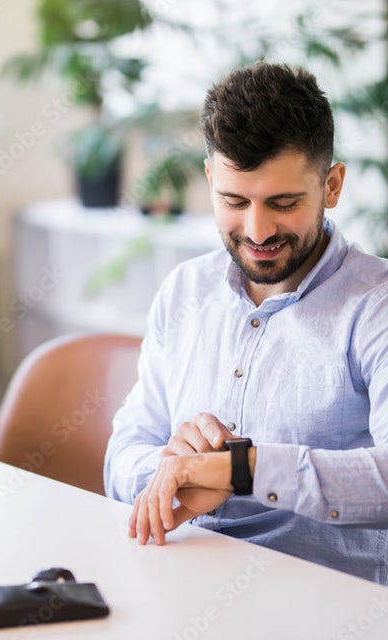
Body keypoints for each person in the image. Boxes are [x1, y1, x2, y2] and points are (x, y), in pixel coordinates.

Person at [104, 61, 388, 585]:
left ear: (332, 185)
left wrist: (244, 470)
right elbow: (122, 455)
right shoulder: (184, 291)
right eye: (235, 201)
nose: (257, 231)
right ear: (211, 179)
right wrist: (174, 469)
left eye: (284, 203)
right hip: (178, 582)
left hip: (324, 604)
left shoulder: (377, 307)